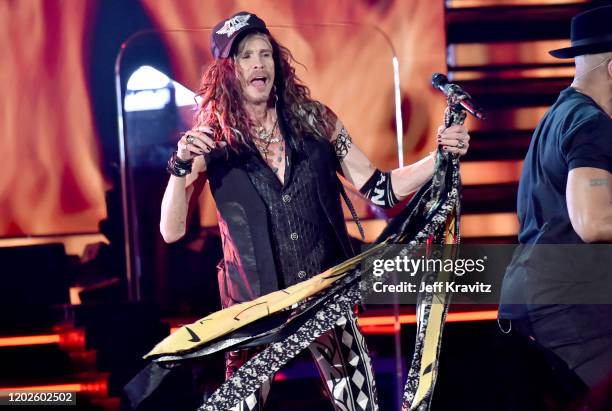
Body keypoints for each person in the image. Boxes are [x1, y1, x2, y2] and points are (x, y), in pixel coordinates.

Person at [160, 11, 470, 411]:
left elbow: (381, 187)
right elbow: (171, 230)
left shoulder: (315, 120)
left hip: (326, 296)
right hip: (257, 309)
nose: (259, 64)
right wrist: (180, 164)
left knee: (360, 404)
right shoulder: (212, 140)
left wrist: (439, 157)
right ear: (227, 70)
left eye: (265, 53)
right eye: (245, 56)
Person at [499, 4, 612, 406]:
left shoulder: (560, 115)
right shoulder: (592, 125)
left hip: (538, 299)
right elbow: (594, 221)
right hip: (570, 311)